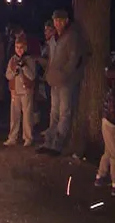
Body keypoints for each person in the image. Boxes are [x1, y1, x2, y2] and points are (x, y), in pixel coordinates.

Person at [37, 10, 87, 156]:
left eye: (60, 20)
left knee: (65, 112)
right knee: (54, 112)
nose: (57, 23)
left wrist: (64, 75)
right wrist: (49, 74)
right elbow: (52, 59)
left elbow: (73, 60)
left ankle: (57, 145)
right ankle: (48, 142)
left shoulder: (72, 36)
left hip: (66, 81)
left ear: (66, 21)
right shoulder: (54, 39)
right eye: (55, 20)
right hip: (54, 80)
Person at [94, 57, 115, 196]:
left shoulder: (114, 83)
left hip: (107, 121)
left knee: (109, 151)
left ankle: (101, 176)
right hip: (113, 124)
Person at [3, 36, 36, 147]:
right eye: (17, 47)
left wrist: (24, 67)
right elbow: (7, 75)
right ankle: (12, 137)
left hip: (26, 91)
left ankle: (28, 138)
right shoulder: (12, 60)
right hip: (15, 91)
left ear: (25, 48)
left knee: (27, 116)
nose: (19, 50)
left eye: (21, 47)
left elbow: (32, 76)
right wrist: (14, 72)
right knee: (14, 116)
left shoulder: (29, 59)